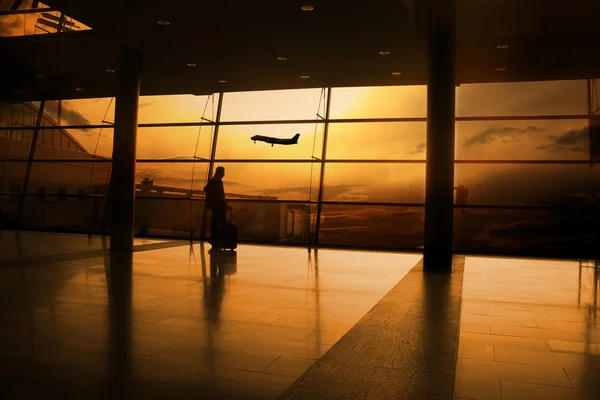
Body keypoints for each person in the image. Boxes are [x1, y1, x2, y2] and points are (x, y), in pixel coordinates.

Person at [204, 166, 231, 244]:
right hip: (219, 206)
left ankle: (214, 238)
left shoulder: (212, 180)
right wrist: (224, 203)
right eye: (223, 172)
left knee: (215, 222)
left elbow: (205, 189)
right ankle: (226, 239)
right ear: (220, 172)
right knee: (222, 222)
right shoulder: (218, 182)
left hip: (214, 206)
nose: (224, 174)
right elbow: (220, 195)